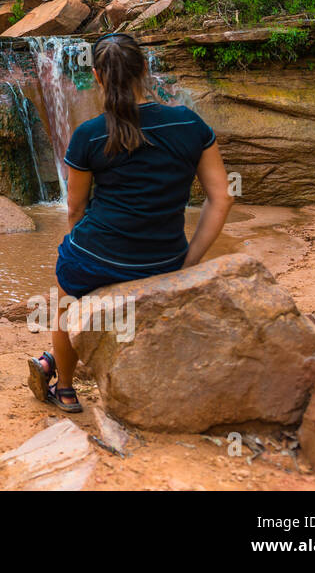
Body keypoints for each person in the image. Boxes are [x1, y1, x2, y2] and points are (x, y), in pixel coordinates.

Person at [28, 32, 234, 413]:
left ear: (98, 77)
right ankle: (59, 360)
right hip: (162, 259)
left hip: (96, 257)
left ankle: (67, 389)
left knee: (65, 294)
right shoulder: (188, 124)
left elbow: (75, 211)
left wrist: (78, 254)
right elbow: (221, 197)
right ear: (145, 68)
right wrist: (188, 261)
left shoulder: (89, 135)